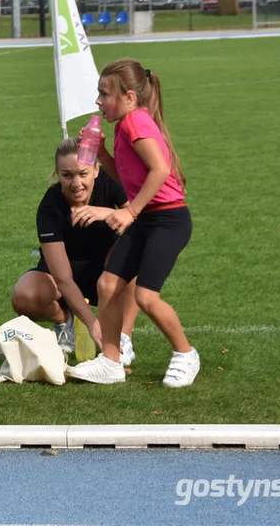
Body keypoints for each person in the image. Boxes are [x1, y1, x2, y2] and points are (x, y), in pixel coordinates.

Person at [66, 58, 198, 388]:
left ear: (128, 97)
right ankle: (111, 362)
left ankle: (185, 354)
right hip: (149, 219)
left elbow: (160, 171)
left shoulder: (136, 123)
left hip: (168, 220)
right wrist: (100, 152)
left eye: (104, 94)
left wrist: (130, 212)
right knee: (108, 285)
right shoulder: (124, 126)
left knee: (146, 297)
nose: (98, 102)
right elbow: (127, 176)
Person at [11, 137, 140, 364]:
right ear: (57, 173)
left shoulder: (110, 183)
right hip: (63, 274)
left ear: (96, 171)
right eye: (67, 175)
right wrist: (92, 323)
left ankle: (123, 338)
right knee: (25, 296)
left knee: (136, 252)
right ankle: (65, 322)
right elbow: (62, 278)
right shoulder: (50, 206)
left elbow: (142, 222)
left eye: (83, 173)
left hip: (106, 268)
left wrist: (105, 212)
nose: (76, 183)